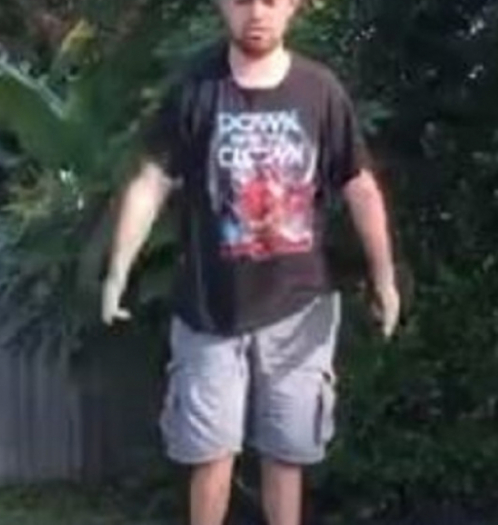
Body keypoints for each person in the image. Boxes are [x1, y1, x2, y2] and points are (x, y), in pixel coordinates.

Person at [101, 1, 400, 525]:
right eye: (243, 1)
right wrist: (117, 271)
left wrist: (385, 278)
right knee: (209, 455)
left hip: (298, 308)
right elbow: (152, 181)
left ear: (293, 6)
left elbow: (359, 185)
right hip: (209, 309)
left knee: (286, 455)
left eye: (271, 1)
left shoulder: (319, 91)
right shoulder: (195, 88)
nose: (257, 13)